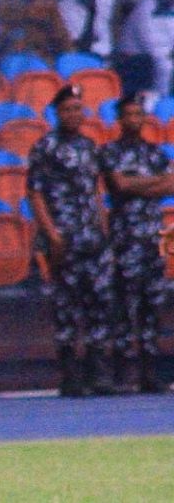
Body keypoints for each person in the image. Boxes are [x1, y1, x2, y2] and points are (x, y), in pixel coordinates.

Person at [27, 85, 116, 398]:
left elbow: (95, 191)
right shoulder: (46, 147)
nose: (74, 115)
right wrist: (51, 234)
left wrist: (104, 228)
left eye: (78, 109)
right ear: (57, 113)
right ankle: (70, 376)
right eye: (68, 109)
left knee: (98, 305)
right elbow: (35, 192)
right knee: (67, 306)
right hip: (64, 237)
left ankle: (98, 374)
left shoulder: (90, 147)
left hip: (92, 237)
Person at [99, 94, 174, 393]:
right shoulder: (110, 152)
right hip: (124, 239)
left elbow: (170, 185)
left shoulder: (155, 153)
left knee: (151, 306)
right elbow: (119, 185)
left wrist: (136, 185)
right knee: (123, 307)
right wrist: (151, 184)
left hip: (151, 238)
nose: (134, 120)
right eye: (128, 115)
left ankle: (149, 374)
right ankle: (121, 374)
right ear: (119, 120)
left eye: (138, 114)